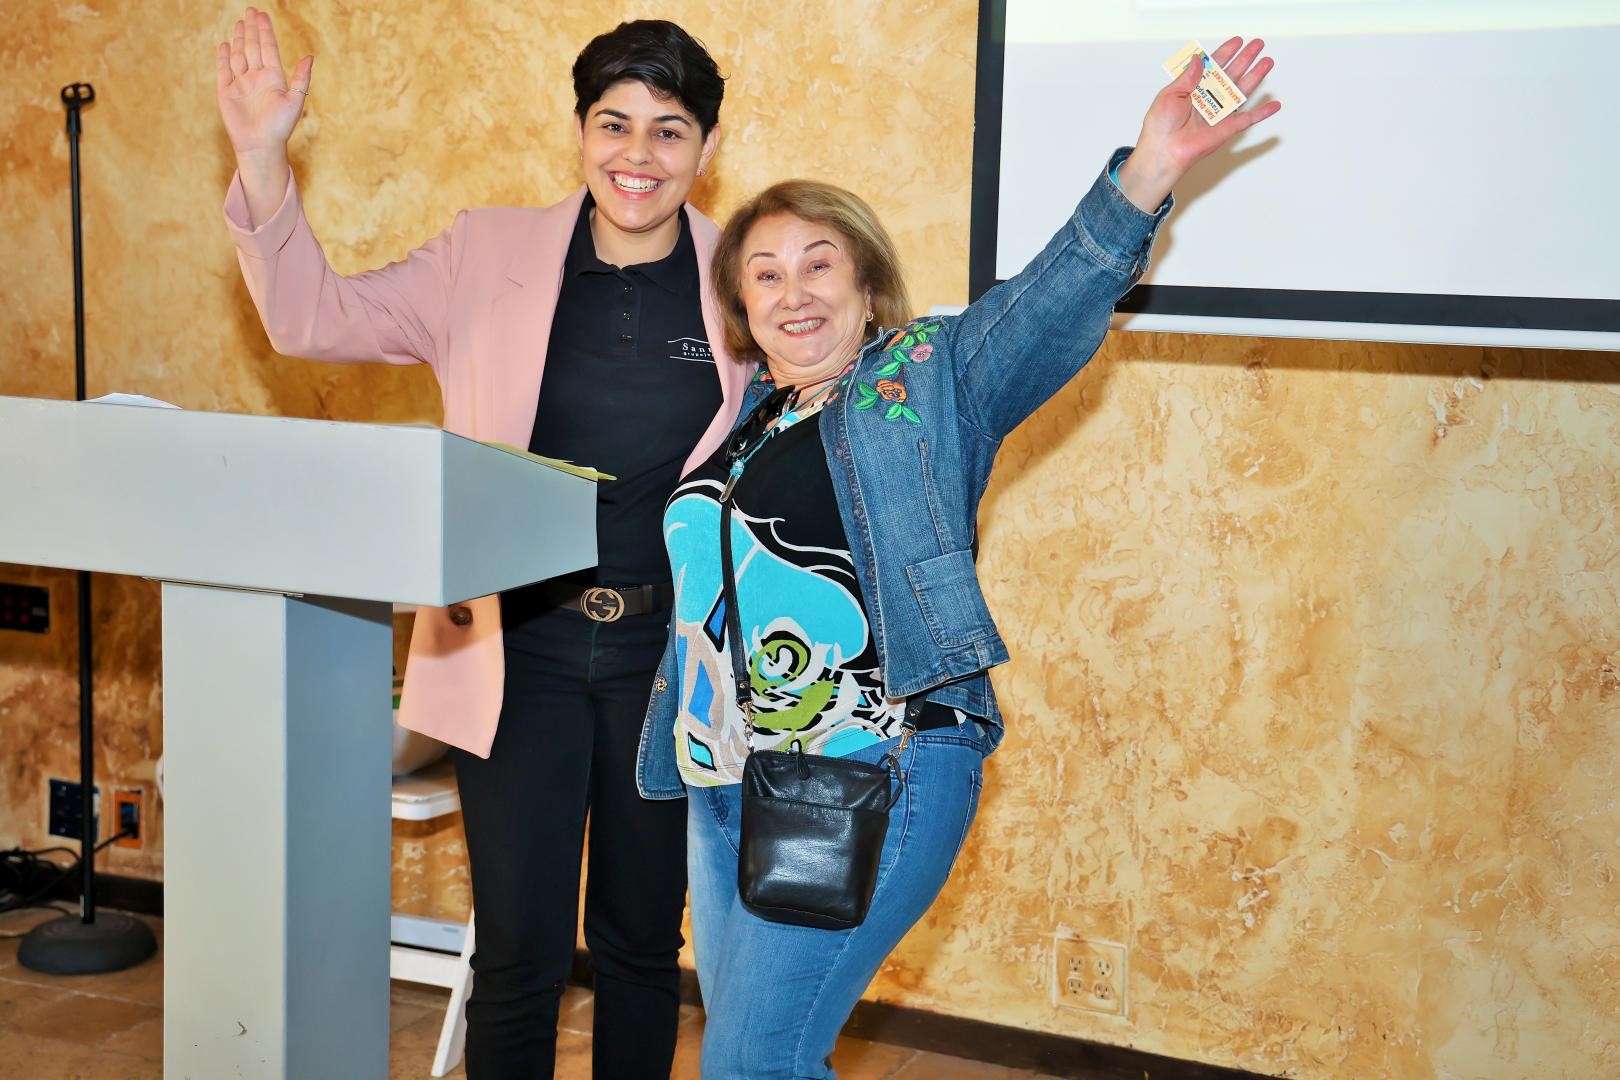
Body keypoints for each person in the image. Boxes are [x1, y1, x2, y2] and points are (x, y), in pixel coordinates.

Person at [635, 37, 1280, 1078]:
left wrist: (1148, 170)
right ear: (741, 307)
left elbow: (1047, 307)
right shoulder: (746, 418)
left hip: (869, 767)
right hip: (725, 781)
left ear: (868, 286)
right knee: (758, 1058)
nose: (794, 292)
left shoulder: (924, 380)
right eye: (765, 274)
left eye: (818, 264)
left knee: (755, 1061)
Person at [213, 8, 750, 1077]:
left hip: (670, 663)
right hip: (516, 652)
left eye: (669, 130)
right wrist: (263, 159)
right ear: (579, 130)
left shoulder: (743, 275)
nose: (638, 155)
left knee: (642, 948)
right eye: (614, 124)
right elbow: (312, 319)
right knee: (518, 955)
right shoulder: (487, 253)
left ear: (708, 145)